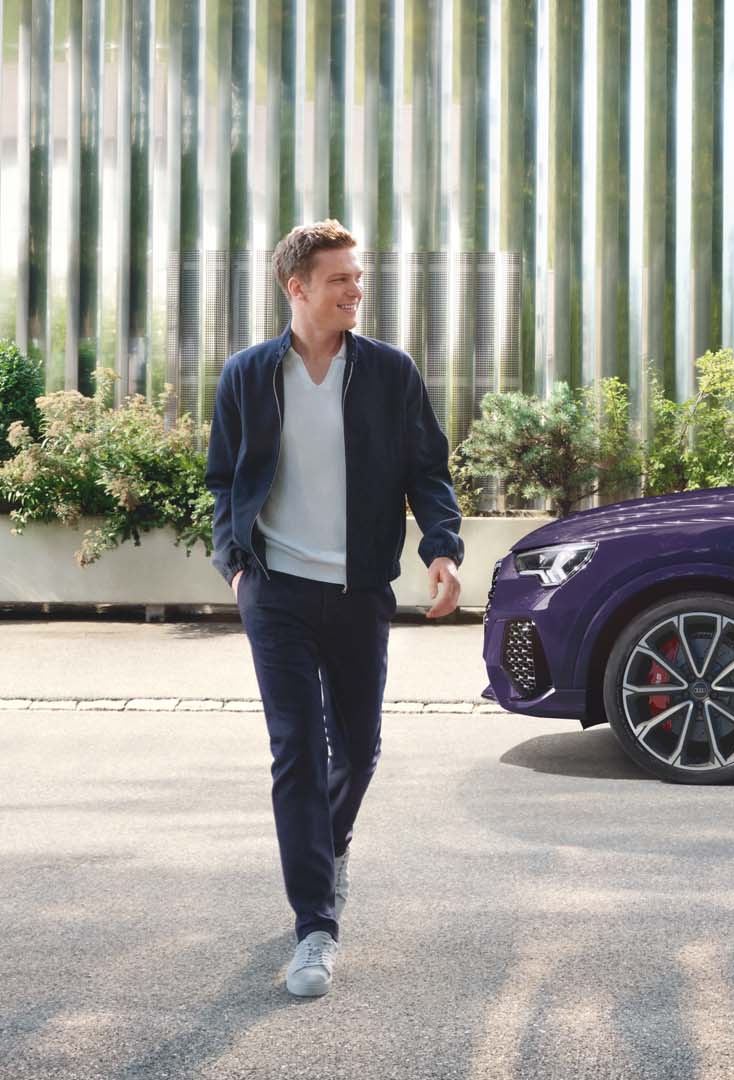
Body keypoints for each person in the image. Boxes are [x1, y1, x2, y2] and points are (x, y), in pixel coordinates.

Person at [204, 219, 464, 997]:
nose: (357, 290)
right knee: (295, 751)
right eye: (341, 279)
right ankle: (314, 925)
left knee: (358, 749)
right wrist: (234, 563)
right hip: (275, 588)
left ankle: (329, 845)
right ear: (298, 288)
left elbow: (428, 470)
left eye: (359, 277)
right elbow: (224, 478)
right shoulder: (249, 375)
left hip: (358, 591)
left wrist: (441, 550)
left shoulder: (388, 373)